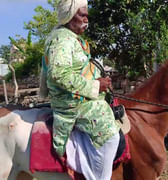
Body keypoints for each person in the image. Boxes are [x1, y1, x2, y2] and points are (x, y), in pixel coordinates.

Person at [44, 0, 120, 179]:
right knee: (111, 136)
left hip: (79, 97)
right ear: (70, 16)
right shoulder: (61, 39)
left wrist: (99, 81)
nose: (87, 19)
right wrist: (95, 85)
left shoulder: (72, 38)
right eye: (82, 15)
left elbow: (77, 70)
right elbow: (59, 73)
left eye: (86, 15)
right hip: (70, 103)